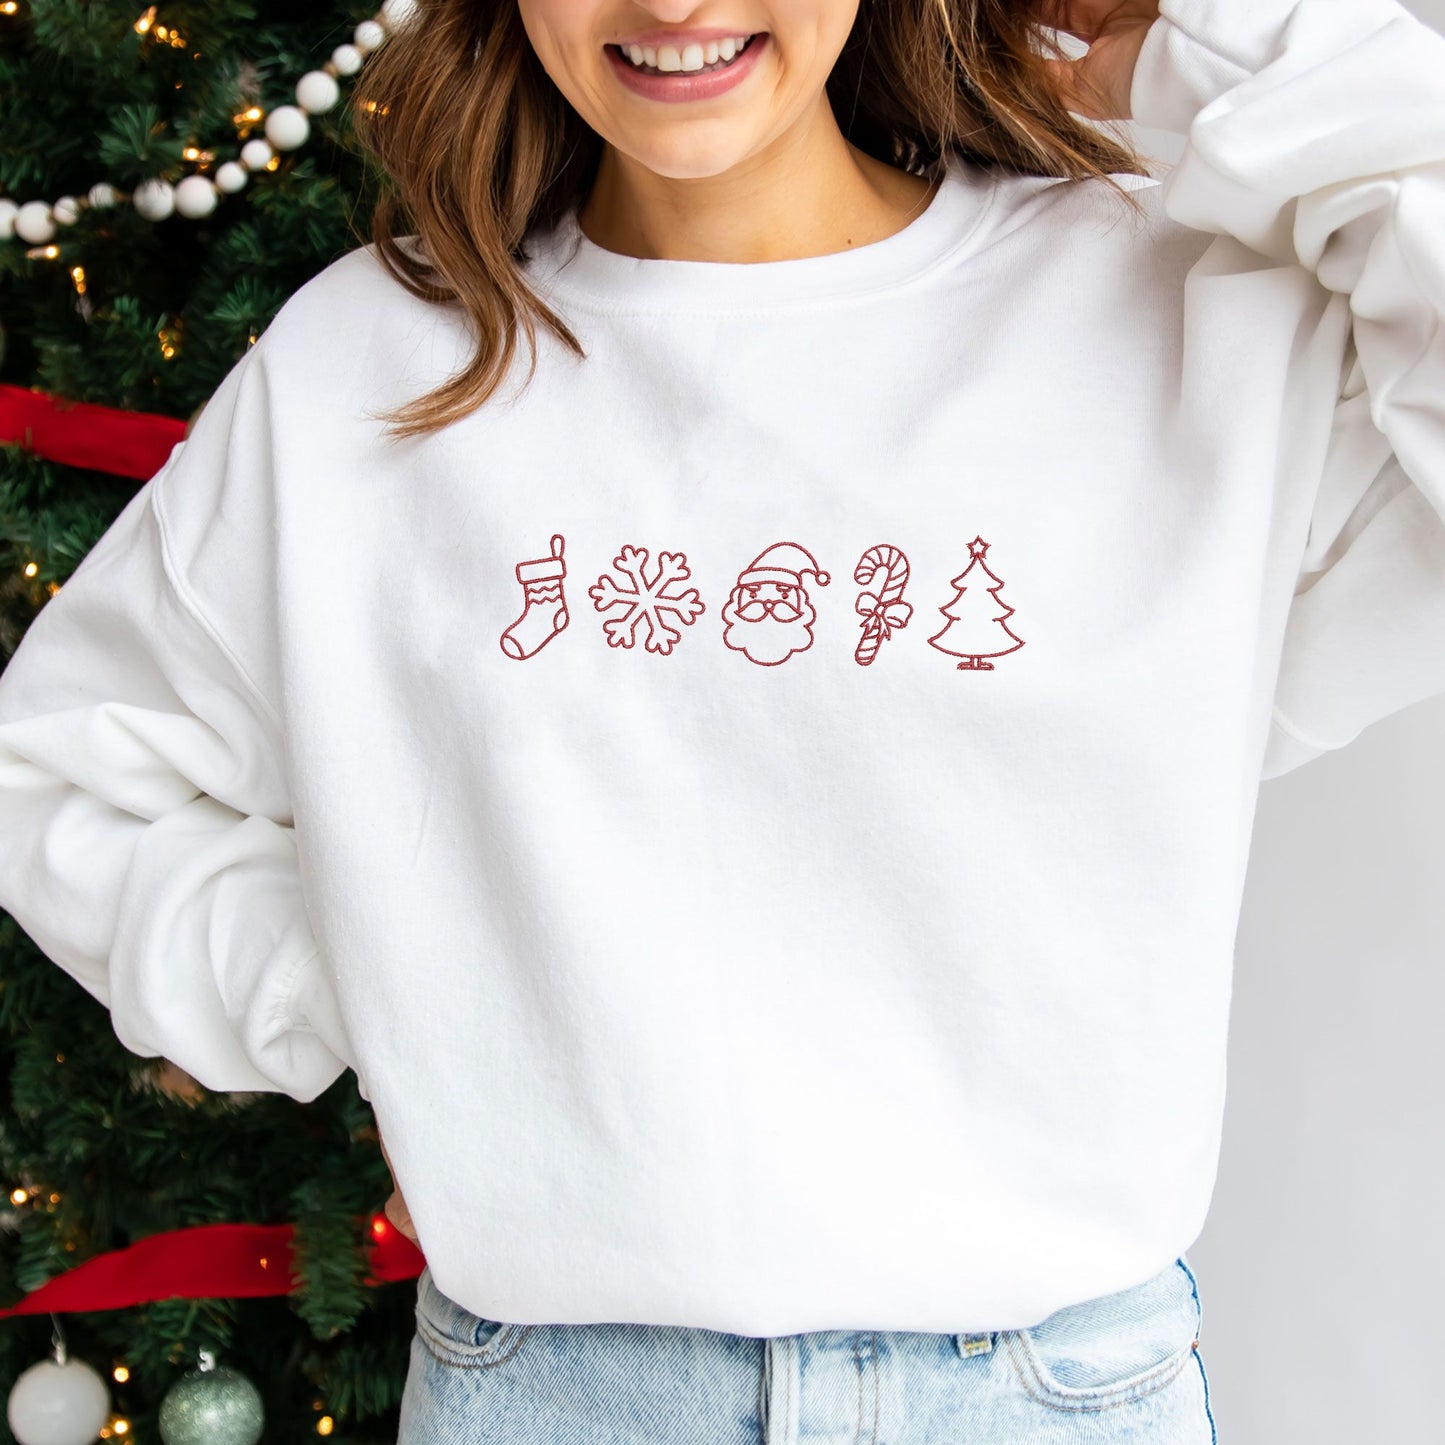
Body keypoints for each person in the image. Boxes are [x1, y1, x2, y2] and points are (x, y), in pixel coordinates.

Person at [1, 0, 1443, 1438]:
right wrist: (394, 979)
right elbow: (60, 767)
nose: (675, 6)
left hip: (1046, 1393)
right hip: (562, 1398)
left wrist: (1202, 43)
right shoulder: (376, 364)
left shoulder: (1166, 300)